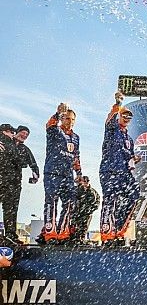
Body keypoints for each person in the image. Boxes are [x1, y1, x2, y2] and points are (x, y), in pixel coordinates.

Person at [99, 92, 141, 244]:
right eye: (124, 116)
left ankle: (118, 230)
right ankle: (107, 235)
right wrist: (118, 104)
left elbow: (128, 158)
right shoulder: (111, 129)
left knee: (134, 194)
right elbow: (110, 119)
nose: (127, 119)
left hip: (124, 173)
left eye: (129, 117)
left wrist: (134, 159)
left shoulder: (129, 139)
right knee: (110, 200)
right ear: (119, 116)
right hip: (109, 170)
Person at [42, 104, 82, 243]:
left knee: (70, 203)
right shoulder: (55, 131)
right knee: (51, 201)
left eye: (72, 119)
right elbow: (50, 124)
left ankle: (63, 232)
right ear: (62, 119)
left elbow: (76, 156)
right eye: (67, 118)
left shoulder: (76, 137)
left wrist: (79, 174)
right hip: (53, 172)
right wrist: (57, 113)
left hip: (67, 175)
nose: (69, 121)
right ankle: (50, 233)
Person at [0, 124, 23, 242]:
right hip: (7, 181)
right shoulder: (7, 142)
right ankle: (10, 235)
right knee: (10, 209)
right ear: (5, 132)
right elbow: (18, 160)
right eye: (11, 132)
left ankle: (10, 235)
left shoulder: (10, 144)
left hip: (8, 180)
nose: (13, 134)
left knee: (10, 209)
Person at [72, 175, 100, 242]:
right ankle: (75, 238)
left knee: (84, 227)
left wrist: (89, 210)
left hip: (86, 214)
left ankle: (81, 238)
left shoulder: (92, 192)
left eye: (85, 181)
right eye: (83, 182)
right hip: (76, 213)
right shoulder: (76, 190)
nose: (84, 183)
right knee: (74, 227)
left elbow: (97, 202)